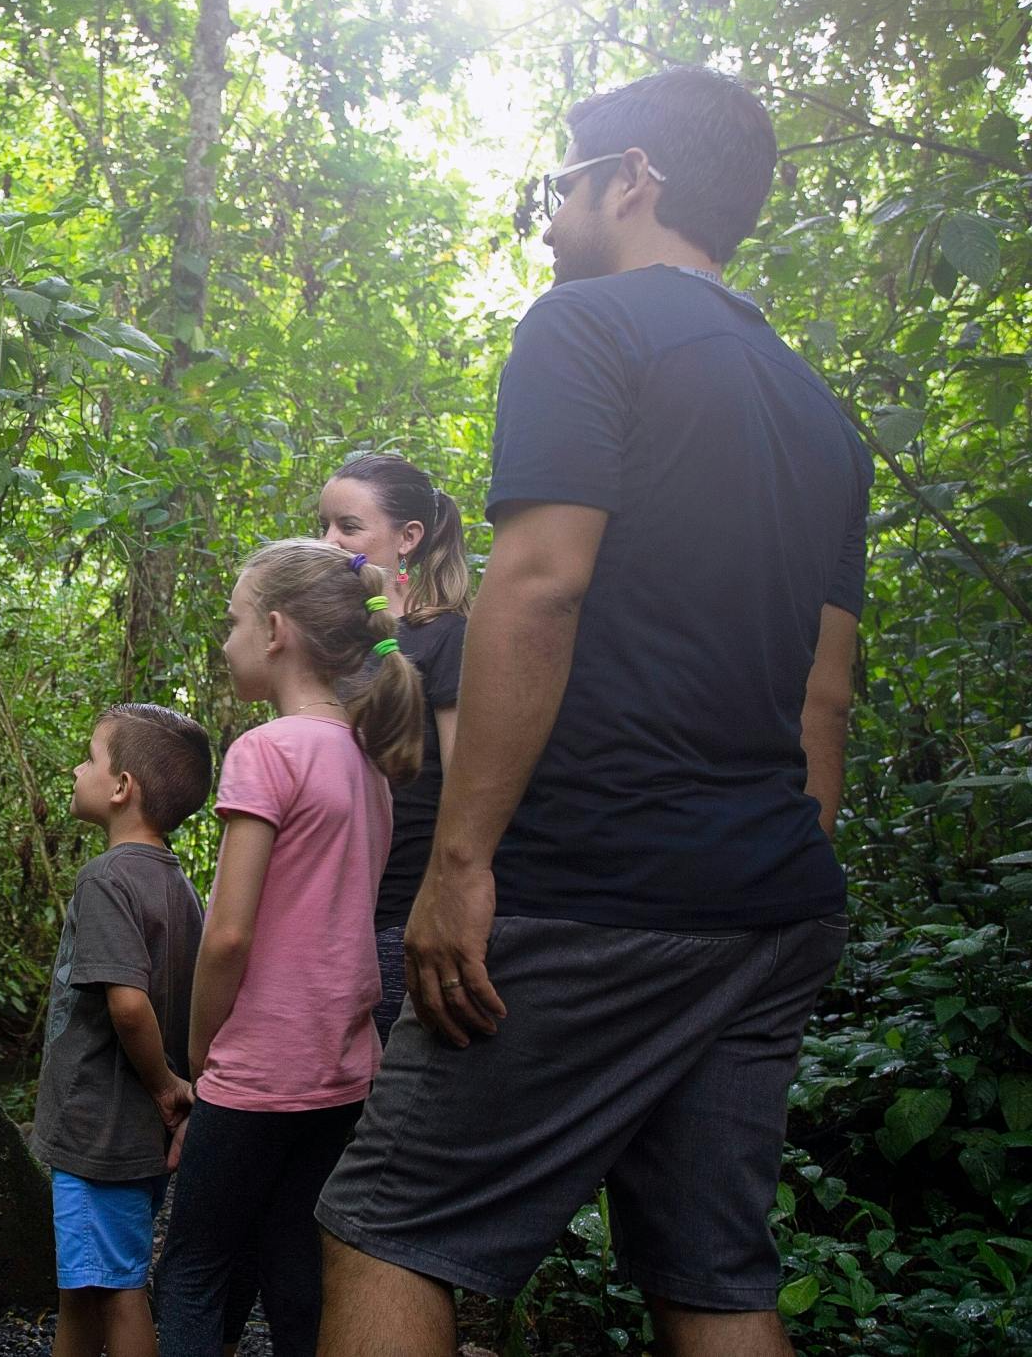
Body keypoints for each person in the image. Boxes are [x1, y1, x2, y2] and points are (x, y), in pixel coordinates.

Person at [316, 68, 872, 1357]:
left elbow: (542, 584)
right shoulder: (818, 416)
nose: (549, 213)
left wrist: (458, 866)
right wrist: (760, 867)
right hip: (769, 901)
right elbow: (823, 695)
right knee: (714, 1278)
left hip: (598, 886)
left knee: (385, 1224)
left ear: (631, 179)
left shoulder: (584, 327)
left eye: (559, 182)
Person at [154, 540, 424, 1357]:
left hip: (258, 1067)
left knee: (193, 1269)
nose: (226, 639)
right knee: (292, 1263)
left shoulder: (266, 751)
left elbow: (230, 933)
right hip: (342, 1066)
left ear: (275, 631)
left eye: (234, 621)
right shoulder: (366, 758)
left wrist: (201, 1054)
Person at [31, 704, 213, 1357]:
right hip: (131, 1137)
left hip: (99, 1133)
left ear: (121, 788)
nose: (77, 768)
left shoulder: (106, 880)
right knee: (85, 1287)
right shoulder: (180, 889)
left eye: (89, 757)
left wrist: (166, 1086)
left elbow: (129, 1006)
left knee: (118, 1290)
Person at [318, 453, 471, 1042]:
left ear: (409, 537)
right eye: (324, 526)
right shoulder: (328, 641)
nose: (330, 541)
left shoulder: (444, 638)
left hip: (398, 910)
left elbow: (462, 782)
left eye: (349, 527)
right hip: (326, 907)